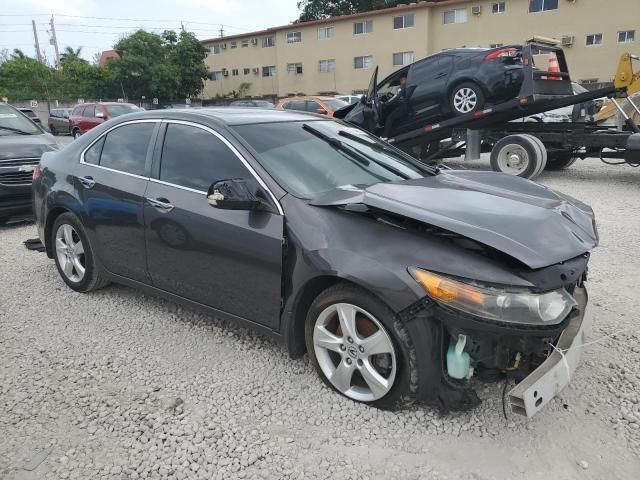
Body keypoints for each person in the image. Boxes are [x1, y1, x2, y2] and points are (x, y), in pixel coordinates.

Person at [382, 74, 408, 139]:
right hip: (405, 105)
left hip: (404, 106)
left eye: (402, 80)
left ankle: (384, 136)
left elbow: (396, 97)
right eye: (401, 80)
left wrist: (386, 103)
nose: (401, 81)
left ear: (406, 79)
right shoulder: (406, 86)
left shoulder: (403, 86)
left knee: (389, 118)